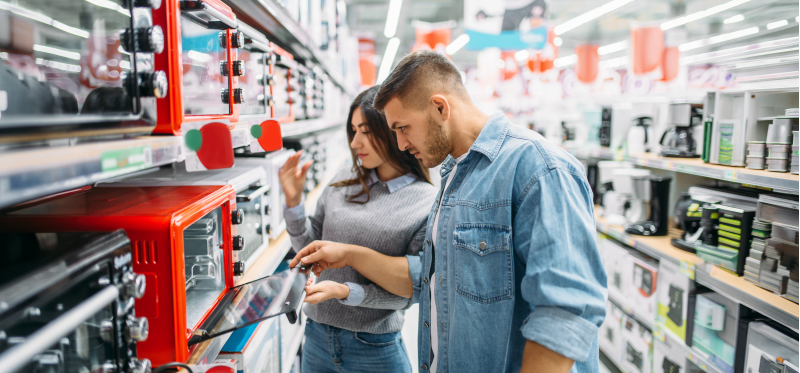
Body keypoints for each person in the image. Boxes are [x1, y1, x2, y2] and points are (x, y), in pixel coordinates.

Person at [290, 49, 607, 373]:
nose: (400, 144)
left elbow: (566, 311)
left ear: (440, 107)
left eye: (403, 128)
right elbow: (429, 278)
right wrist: (349, 255)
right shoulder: (454, 176)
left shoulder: (538, 168)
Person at [279, 85, 437, 373]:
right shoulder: (344, 179)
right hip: (316, 336)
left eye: (365, 131)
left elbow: (412, 291)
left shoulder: (425, 201)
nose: (355, 143)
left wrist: (345, 291)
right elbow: (310, 245)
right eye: (353, 132)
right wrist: (293, 202)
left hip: (374, 347)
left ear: (390, 128)